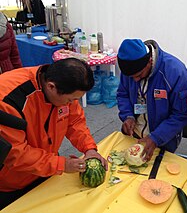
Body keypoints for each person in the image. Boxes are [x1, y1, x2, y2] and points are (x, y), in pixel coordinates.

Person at [0, 58, 108, 209]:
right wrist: (62, 164)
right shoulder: (8, 99)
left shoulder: (64, 85)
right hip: (10, 181)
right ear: (51, 87)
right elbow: (15, 154)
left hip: (46, 169)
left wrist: (89, 148)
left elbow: (75, 121)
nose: (71, 104)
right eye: (70, 100)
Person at [117, 39, 187, 161]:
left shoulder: (175, 71)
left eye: (139, 75)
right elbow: (122, 94)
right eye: (132, 77)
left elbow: (182, 114)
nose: (135, 80)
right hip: (134, 135)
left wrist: (156, 138)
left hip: (163, 138)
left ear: (149, 61)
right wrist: (128, 116)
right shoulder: (129, 68)